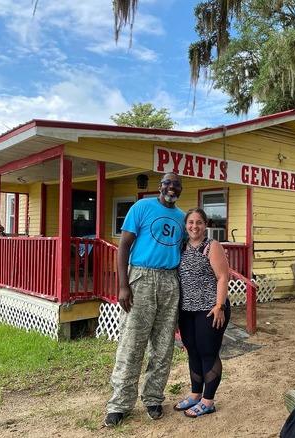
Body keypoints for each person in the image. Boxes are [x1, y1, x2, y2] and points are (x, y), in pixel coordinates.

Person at [104, 172, 186, 427]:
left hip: (170, 280)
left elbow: (181, 251)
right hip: (141, 277)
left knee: (163, 346)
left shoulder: (183, 218)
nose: (171, 188)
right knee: (132, 343)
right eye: (167, 183)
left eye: (176, 185)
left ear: (180, 190)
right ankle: (119, 404)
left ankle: (153, 398)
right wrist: (123, 285)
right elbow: (124, 246)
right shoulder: (141, 207)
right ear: (160, 186)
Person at [173, 208, 231, 417]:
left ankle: (208, 400)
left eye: (199, 222)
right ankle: (196, 394)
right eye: (190, 222)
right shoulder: (181, 246)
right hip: (187, 310)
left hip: (210, 309)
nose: (194, 226)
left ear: (205, 225)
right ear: (185, 225)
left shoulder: (211, 246)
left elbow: (223, 277)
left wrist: (220, 306)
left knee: (208, 353)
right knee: (193, 352)